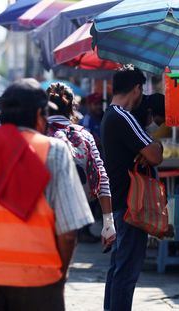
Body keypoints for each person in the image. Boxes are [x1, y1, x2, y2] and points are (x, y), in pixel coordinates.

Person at [0, 78, 94, 311]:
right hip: (37, 278)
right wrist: (60, 276)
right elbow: (68, 233)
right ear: (40, 114)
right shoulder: (54, 151)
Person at [101, 67, 163, 311]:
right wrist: (154, 145)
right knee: (126, 272)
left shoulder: (111, 115)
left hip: (121, 202)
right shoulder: (123, 116)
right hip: (131, 206)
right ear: (137, 89)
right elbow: (155, 155)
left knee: (118, 269)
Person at [45, 82, 116, 246]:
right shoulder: (85, 136)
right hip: (72, 214)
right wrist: (108, 223)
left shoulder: (37, 133)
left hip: (40, 216)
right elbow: (102, 179)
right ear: (72, 108)